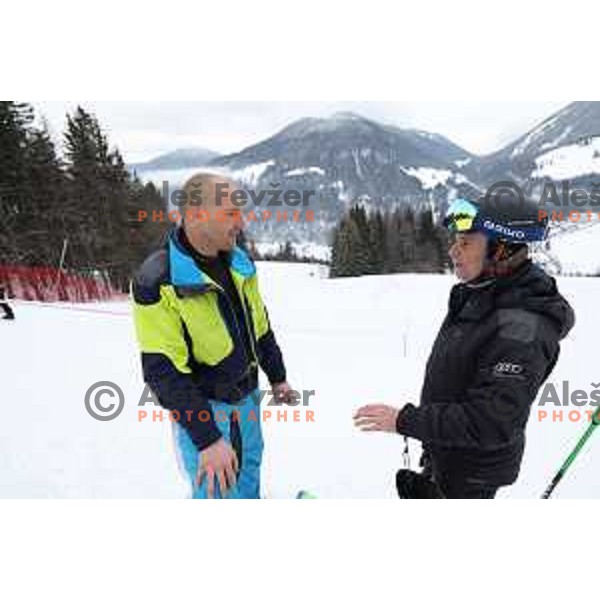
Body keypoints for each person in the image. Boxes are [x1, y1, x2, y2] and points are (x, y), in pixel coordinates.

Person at [354, 197, 575, 499]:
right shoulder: (480, 294)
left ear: (502, 249)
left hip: (472, 475)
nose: (452, 251)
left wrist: (405, 421)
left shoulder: (522, 326)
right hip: (447, 458)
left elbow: (492, 420)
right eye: (456, 241)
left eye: (466, 243)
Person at [132, 173, 292, 499]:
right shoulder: (159, 279)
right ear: (195, 215)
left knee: (248, 480)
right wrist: (207, 438)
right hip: (208, 411)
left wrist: (278, 377)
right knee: (219, 492)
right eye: (231, 213)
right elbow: (164, 371)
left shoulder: (239, 262)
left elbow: (259, 326)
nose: (241, 222)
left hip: (247, 401)